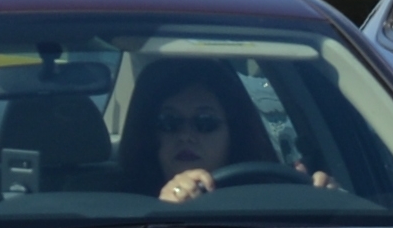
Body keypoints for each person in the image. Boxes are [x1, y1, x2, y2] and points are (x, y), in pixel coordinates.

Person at [124, 67, 329, 203]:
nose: (186, 136)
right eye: (169, 123)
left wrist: (331, 205)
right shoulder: (113, 209)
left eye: (205, 122)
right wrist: (164, 212)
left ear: (234, 132)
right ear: (151, 133)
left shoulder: (276, 198)